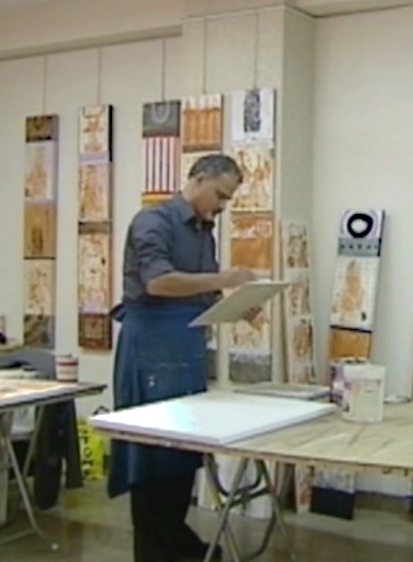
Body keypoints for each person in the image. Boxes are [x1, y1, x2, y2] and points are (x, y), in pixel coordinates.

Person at [108, 153, 257, 561]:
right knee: (151, 459)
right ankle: (160, 550)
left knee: (180, 458)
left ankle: (176, 547)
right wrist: (224, 278)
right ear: (199, 178)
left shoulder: (204, 233)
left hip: (186, 349)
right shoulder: (153, 221)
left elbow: (200, 293)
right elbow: (158, 282)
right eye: (220, 195)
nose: (222, 206)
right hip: (151, 351)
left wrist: (239, 304)